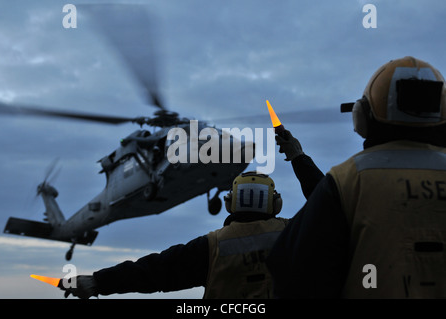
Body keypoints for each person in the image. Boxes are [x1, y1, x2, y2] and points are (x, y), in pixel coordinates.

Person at [266, 56, 446, 298]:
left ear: (361, 115)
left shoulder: (348, 180)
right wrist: (298, 156)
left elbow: (291, 271)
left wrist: (298, 156)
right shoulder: (346, 182)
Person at [59, 155, 323, 298]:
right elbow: (327, 201)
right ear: (275, 204)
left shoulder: (211, 247)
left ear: (231, 203)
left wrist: (96, 282)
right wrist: (297, 156)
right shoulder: (295, 234)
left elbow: (152, 271)